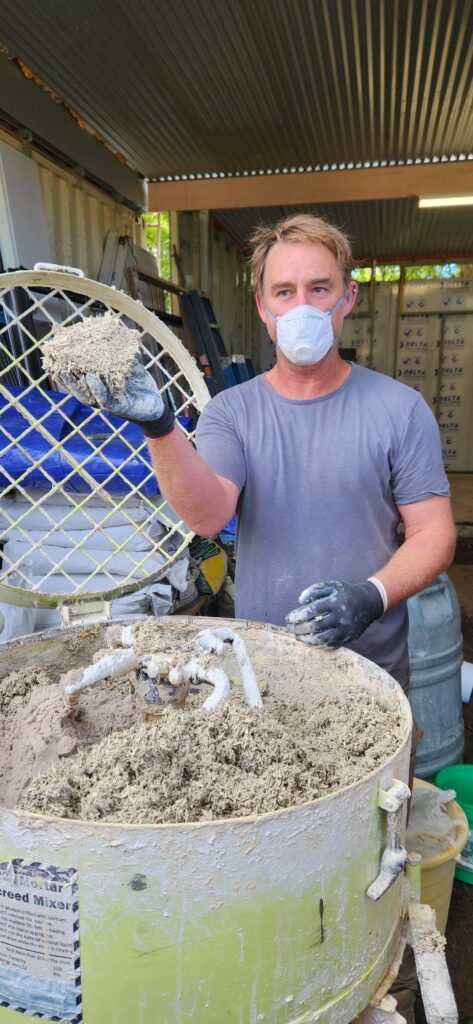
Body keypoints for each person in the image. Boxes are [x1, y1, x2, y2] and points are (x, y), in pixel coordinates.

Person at [58, 213, 456, 696]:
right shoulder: (232, 412)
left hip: (370, 671)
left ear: (348, 298)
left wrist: (371, 596)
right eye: (284, 292)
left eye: (320, 289)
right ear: (263, 306)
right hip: (263, 670)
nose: (301, 307)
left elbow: (434, 533)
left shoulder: (400, 409)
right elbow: (208, 516)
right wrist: (160, 427)